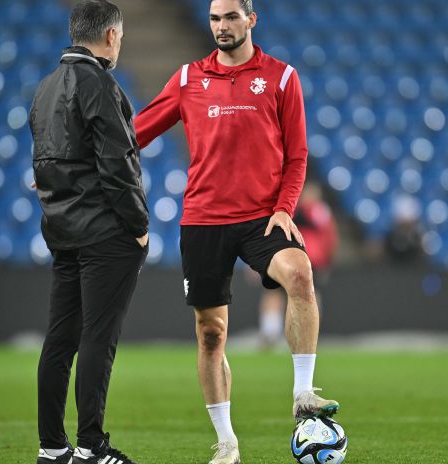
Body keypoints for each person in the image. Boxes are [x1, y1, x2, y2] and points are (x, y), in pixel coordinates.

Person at [134, 1, 338, 462]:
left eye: (230, 17)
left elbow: (297, 155)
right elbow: (136, 133)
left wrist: (285, 208)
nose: (221, 26)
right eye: (214, 18)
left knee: (300, 273)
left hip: (263, 217)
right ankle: (227, 443)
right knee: (211, 334)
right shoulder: (188, 79)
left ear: (251, 19)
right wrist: (73, 164)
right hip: (204, 220)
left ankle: (303, 393)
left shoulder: (281, 78)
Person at [29, 1, 148, 463]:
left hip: (62, 232)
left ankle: (52, 447)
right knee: (99, 338)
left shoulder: (45, 88)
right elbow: (118, 164)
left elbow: (44, 166)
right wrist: (138, 225)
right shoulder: (99, 83)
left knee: (60, 341)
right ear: (111, 36)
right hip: (104, 234)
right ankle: (91, 447)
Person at [257, 180, 338, 349]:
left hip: (308, 259)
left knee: (306, 295)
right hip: (292, 257)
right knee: (279, 293)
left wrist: (327, 260)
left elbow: (329, 238)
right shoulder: (303, 211)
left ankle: (305, 332)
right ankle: (272, 331)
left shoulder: (314, 211)